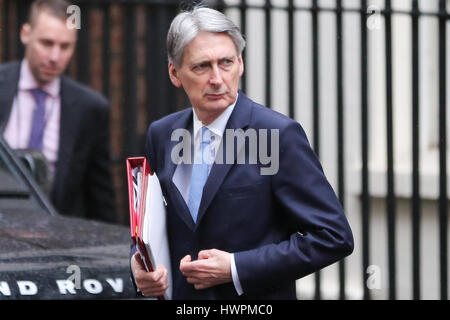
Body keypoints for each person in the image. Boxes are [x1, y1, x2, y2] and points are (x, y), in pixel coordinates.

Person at [130, 7, 353, 299]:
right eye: (201, 66)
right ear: (175, 73)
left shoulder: (277, 134)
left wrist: (236, 267)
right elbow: (146, 226)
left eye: (226, 63)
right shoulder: (162, 134)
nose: (217, 78)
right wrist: (139, 267)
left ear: (241, 64)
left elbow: (333, 237)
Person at [0, 0, 116, 222]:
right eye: (46, 43)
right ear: (25, 34)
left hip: (56, 240)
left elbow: (100, 199)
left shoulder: (89, 108)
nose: (54, 56)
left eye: (65, 46)